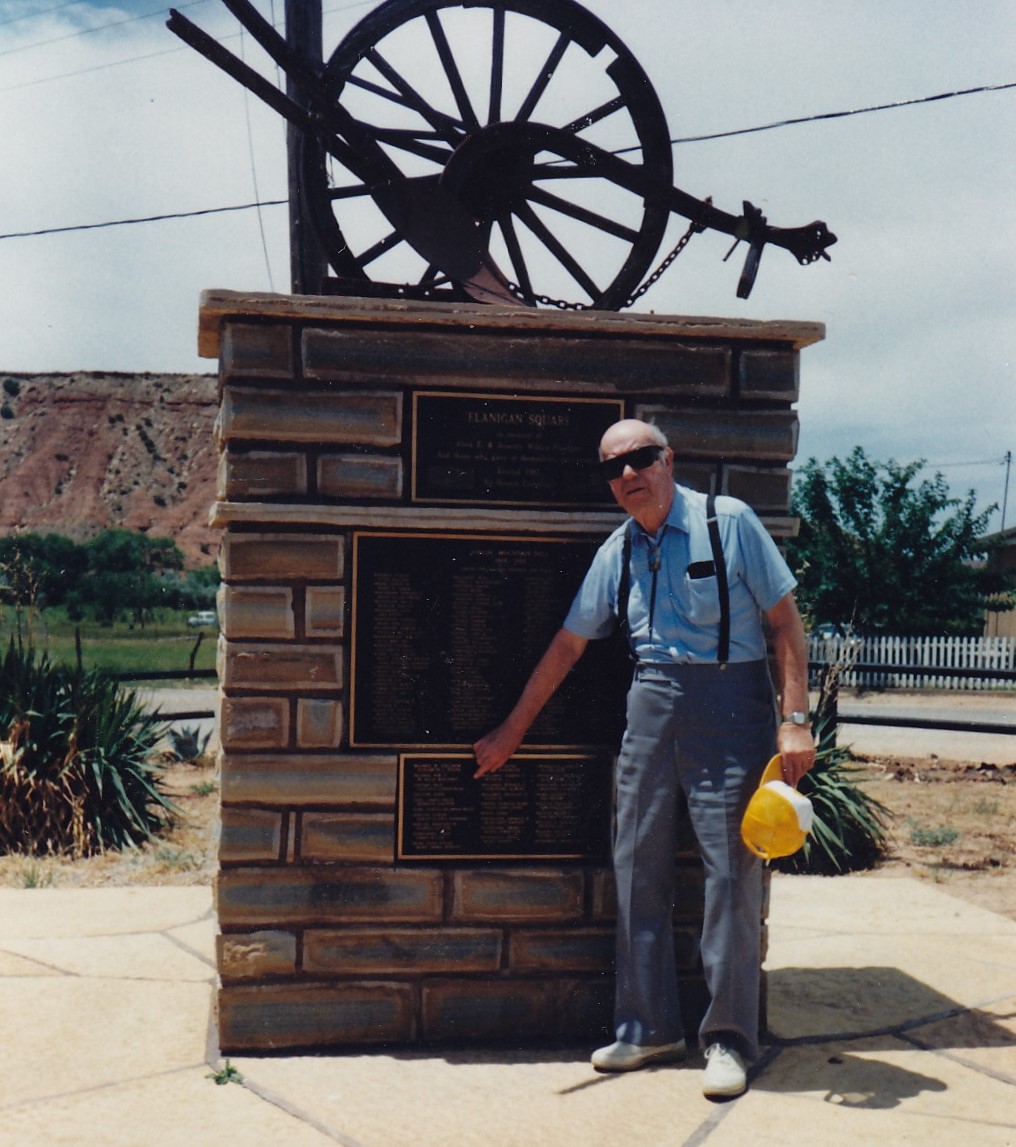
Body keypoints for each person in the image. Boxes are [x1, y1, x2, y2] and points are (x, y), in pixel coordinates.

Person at [474, 418, 816, 1099]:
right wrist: (511, 730)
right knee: (636, 865)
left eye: (641, 457)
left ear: (669, 459)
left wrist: (795, 719)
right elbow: (570, 645)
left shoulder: (730, 523)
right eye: (614, 466)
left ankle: (726, 1039)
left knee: (730, 875)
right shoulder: (619, 550)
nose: (628, 474)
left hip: (731, 706)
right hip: (651, 706)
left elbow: (785, 623)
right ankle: (647, 1025)